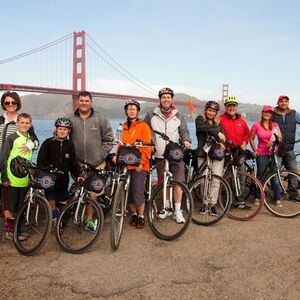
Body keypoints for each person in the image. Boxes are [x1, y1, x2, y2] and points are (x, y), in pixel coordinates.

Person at [144, 87, 191, 223]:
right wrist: (150, 145)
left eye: (168, 97)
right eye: (163, 97)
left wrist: (187, 140)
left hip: (175, 154)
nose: (166, 99)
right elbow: (146, 132)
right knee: (163, 183)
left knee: (178, 182)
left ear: (172, 99)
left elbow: (184, 131)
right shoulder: (150, 115)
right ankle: (166, 208)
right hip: (159, 154)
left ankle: (177, 210)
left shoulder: (179, 116)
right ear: (160, 99)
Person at [69, 91, 114, 232]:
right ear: (77, 102)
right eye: (81, 100)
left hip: (96, 163)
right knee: (79, 189)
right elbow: (61, 135)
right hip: (77, 164)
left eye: (86, 101)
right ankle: (73, 215)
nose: (83, 103)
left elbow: (109, 139)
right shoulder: (70, 118)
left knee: (92, 194)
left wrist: (99, 155)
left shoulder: (100, 118)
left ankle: (89, 220)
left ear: (91, 102)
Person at [113, 100, 151, 228]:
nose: (131, 111)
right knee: (127, 191)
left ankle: (141, 216)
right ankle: (134, 213)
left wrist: (142, 162)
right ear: (126, 111)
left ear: (138, 111)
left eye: (134, 109)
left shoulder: (144, 127)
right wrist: (115, 156)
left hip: (140, 164)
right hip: (126, 162)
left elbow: (147, 147)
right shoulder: (120, 127)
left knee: (137, 190)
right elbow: (119, 145)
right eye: (129, 109)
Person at [37, 118, 82, 223]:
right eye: (60, 129)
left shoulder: (69, 144)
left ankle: (58, 221)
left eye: (65, 129)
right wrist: (44, 171)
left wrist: (78, 174)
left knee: (62, 203)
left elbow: (73, 163)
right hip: (50, 179)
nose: (62, 131)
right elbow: (41, 161)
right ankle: (53, 221)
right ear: (56, 129)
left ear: (69, 131)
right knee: (51, 200)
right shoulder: (48, 143)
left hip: (63, 179)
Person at [0, 113, 34, 239]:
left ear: (30, 125)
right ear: (17, 123)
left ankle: (17, 230)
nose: (24, 125)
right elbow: (3, 157)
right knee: (9, 205)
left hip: (24, 180)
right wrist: (4, 176)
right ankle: (9, 231)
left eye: (27, 123)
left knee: (20, 206)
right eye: (22, 122)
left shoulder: (30, 139)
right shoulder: (11, 137)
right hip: (11, 179)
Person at [195, 100, 226, 215]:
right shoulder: (199, 119)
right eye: (209, 110)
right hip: (203, 154)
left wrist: (223, 142)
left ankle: (212, 203)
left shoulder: (219, 123)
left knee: (216, 179)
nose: (211, 113)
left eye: (214, 111)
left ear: (216, 112)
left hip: (217, 154)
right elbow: (202, 128)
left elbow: (224, 138)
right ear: (205, 110)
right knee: (203, 180)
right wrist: (217, 133)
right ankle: (204, 203)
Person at [220, 96, 250, 208]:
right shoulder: (220, 119)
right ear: (225, 107)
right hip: (226, 153)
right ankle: (225, 201)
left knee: (241, 176)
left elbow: (247, 133)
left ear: (236, 107)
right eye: (229, 105)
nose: (231, 108)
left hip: (239, 153)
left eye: (234, 105)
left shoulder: (241, 121)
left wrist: (244, 143)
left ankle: (240, 200)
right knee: (225, 177)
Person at [249, 105, 282, 206]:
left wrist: (277, 139)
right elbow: (251, 139)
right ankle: (258, 197)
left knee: (274, 176)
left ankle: (277, 198)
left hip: (274, 153)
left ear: (271, 114)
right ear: (262, 113)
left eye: (269, 112)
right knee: (261, 175)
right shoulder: (256, 125)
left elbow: (280, 138)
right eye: (265, 112)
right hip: (262, 153)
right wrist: (255, 150)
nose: (267, 114)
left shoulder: (275, 125)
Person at [272, 95, 300, 201]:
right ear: (278, 103)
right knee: (275, 171)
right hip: (277, 148)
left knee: (293, 170)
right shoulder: (273, 114)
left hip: (289, 147)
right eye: (281, 101)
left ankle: (292, 194)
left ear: (288, 103)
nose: (284, 103)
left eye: (286, 101)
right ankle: (277, 193)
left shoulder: (294, 113)